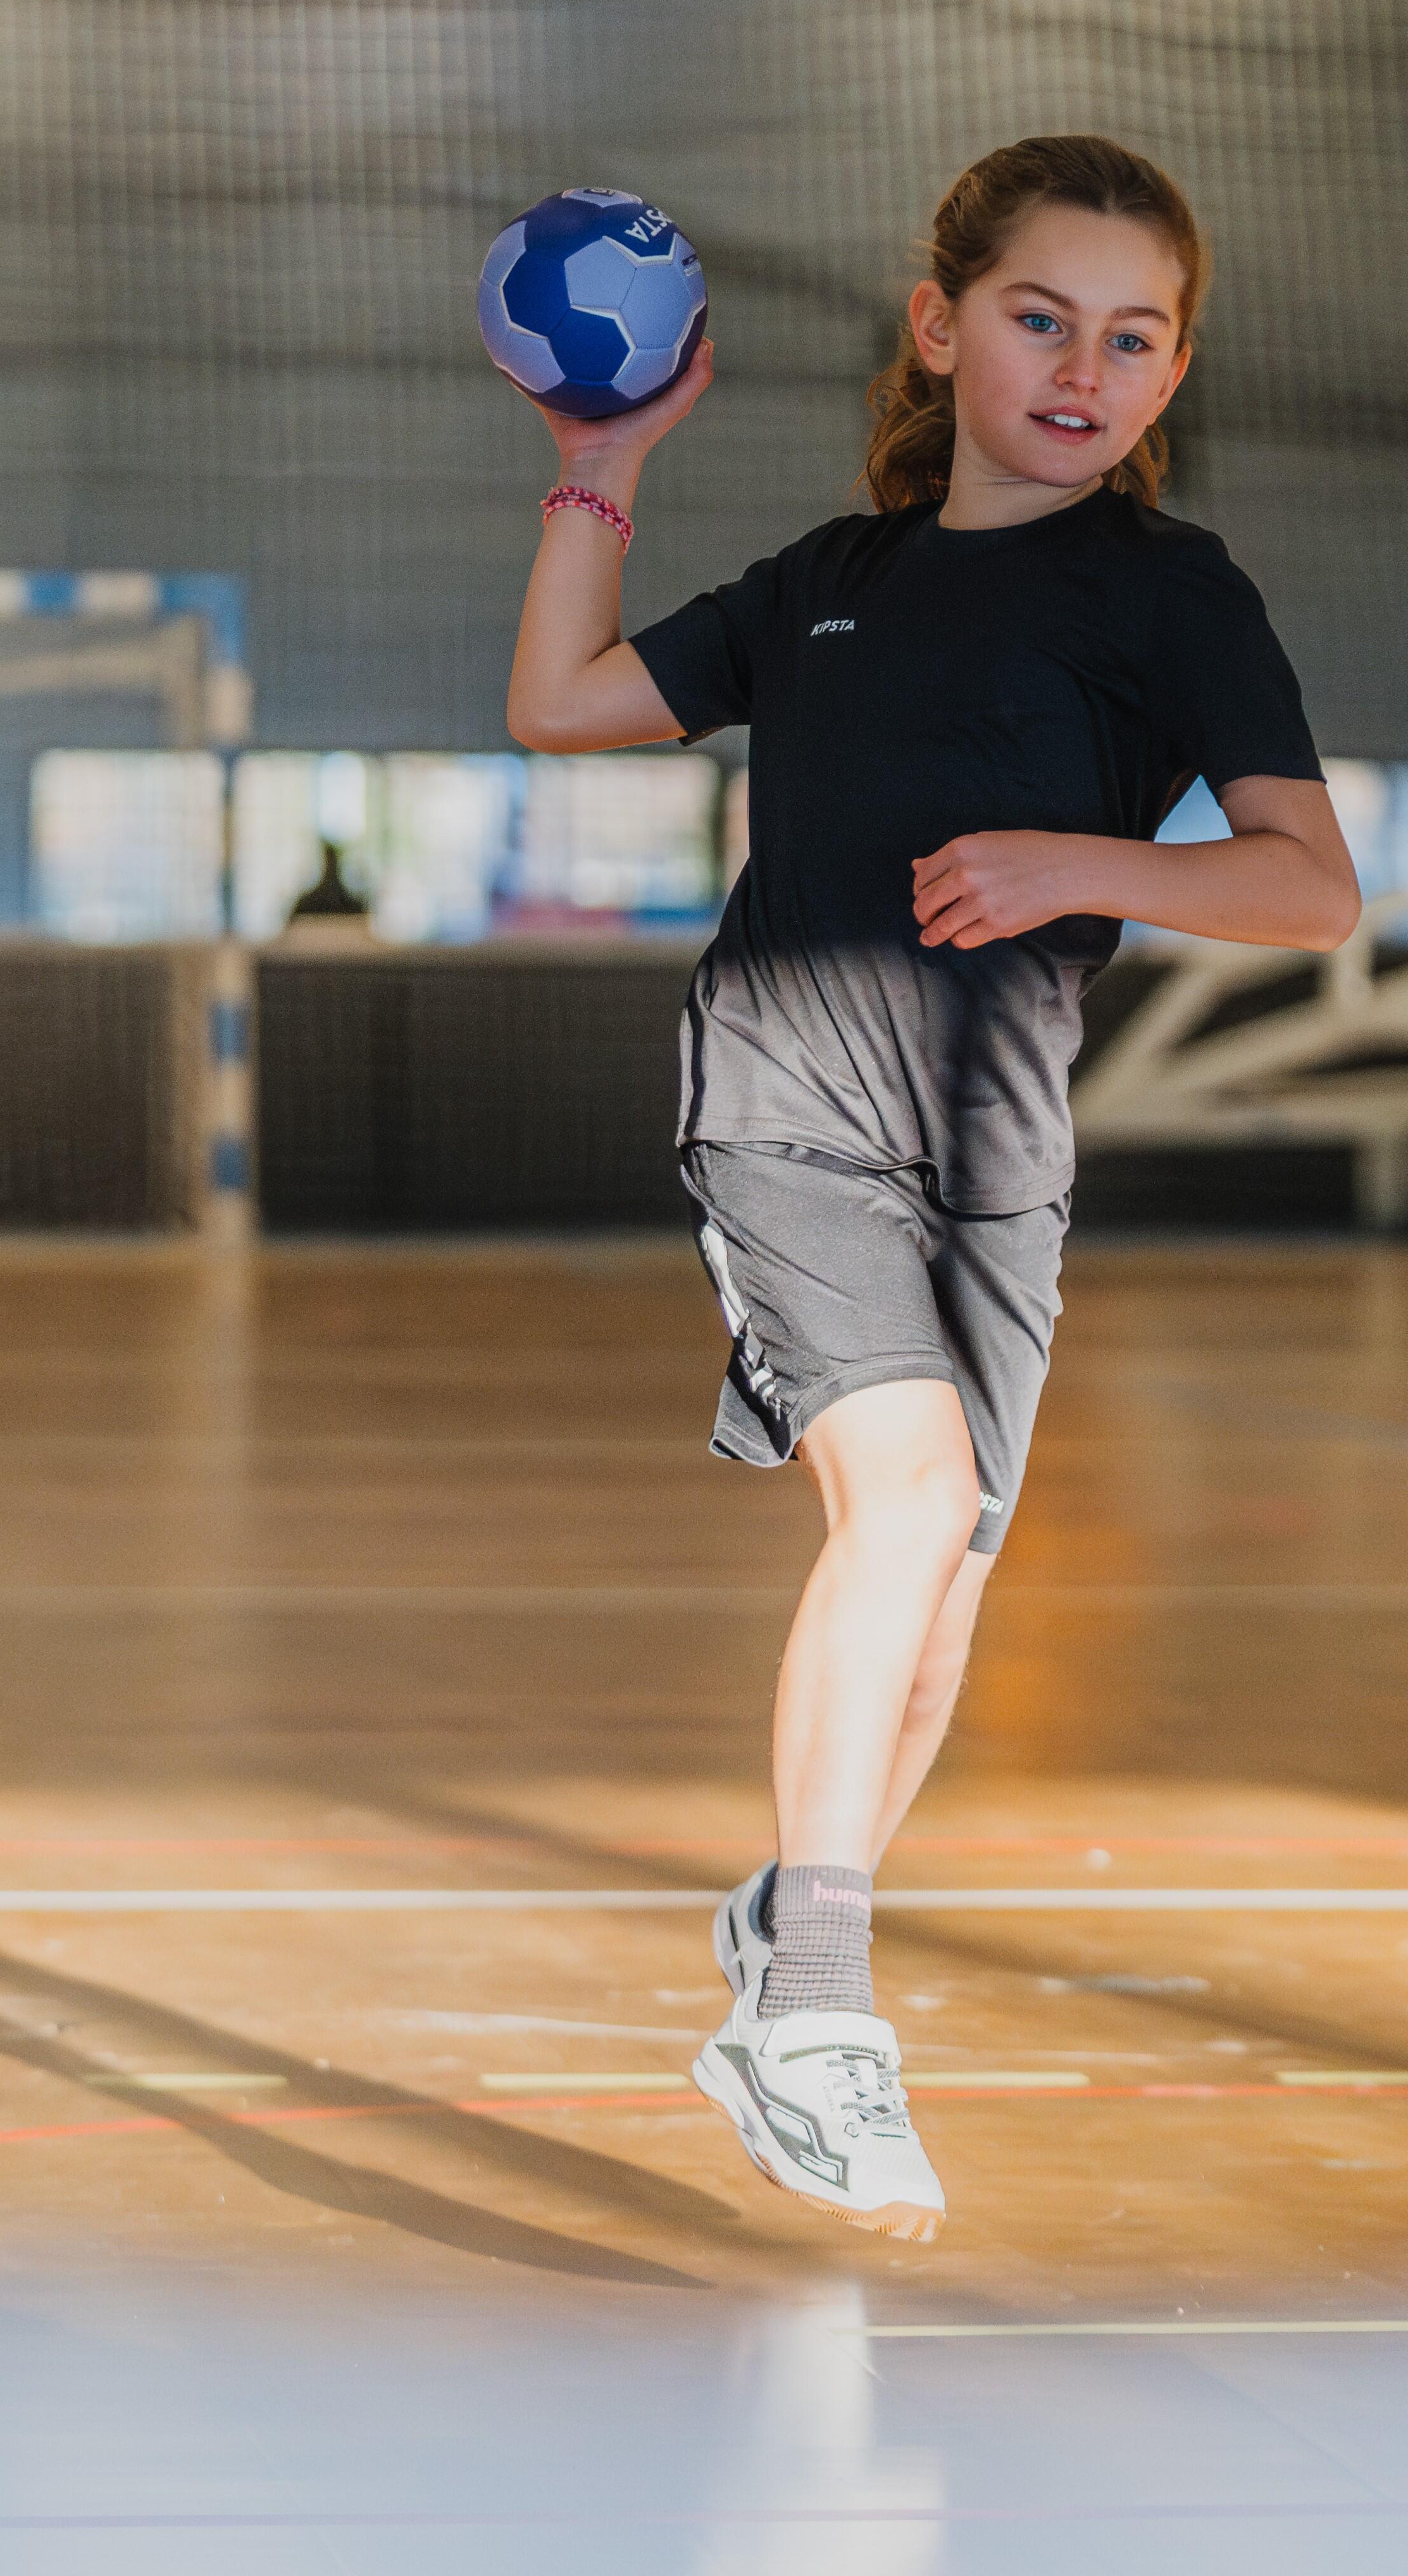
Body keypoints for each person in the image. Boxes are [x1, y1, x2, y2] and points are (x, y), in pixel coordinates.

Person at [502, 132, 1357, 2238]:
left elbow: (1312, 888)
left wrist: (1087, 864)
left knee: (951, 1579)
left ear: (1174, 369)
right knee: (897, 1508)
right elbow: (557, 703)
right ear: (942, 324)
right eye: (1043, 318)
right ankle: (815, 2008)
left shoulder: (1175, 596)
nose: (1087, 370)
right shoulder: (826, 583)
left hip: (999, 1144)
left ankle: (799, 1905)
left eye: (1136, 337)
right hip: (790, 1093)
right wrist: (600, 456)